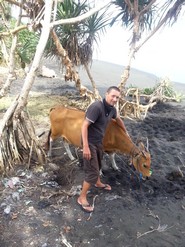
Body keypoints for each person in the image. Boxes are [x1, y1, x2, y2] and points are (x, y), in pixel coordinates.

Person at [77, 86, 127, 213]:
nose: (115, 99)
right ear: (106, 94)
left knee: (99, 164)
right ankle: (81, 197)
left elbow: (118, 119)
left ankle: (98, 183)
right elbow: (84, 126)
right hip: (89, 142)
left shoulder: (112, 109)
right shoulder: (97, 107)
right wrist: (86, 147)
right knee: (92, 172)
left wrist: (125, 132)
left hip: (99, 141)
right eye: (113, 96)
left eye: (117, 97)